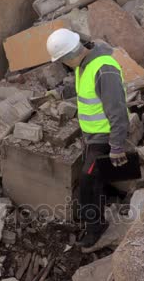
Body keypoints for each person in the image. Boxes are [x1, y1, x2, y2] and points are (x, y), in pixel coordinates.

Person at [46, 28, 130, 247]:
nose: (64, 65)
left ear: (68, 56)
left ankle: (95, 228)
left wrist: (117, 146)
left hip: (104, 136)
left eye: (63, 61)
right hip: (92, 135)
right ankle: (110, 194)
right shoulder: (85, 63)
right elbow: (84, 89)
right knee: (98, 176)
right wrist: (61, 93)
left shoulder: (103, 69)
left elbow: (118, 110)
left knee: (87, 184)